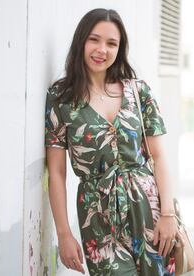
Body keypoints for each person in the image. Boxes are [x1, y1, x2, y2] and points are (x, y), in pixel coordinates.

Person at [45, 8, 183, 276]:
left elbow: (158, 156)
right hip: (98, 217)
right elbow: (57, 173)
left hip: (149, 209)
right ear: (81, 41)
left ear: (120, 49)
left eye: (112, 43)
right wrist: (64, 234)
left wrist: (168, 214)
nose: (102, 50)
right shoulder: (61, 99)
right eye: (94, 40)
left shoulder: (138, 91)